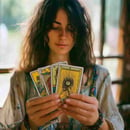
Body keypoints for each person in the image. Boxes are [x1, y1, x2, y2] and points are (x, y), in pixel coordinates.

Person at [0, 0, 124, 129]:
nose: (63, 36)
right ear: (42, 31)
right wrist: (28, 125)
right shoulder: (21, 79)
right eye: (55, 27)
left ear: (79, 33)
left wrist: (98, 122)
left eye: (71, 28)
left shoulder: (100, 77)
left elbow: (118, 127)